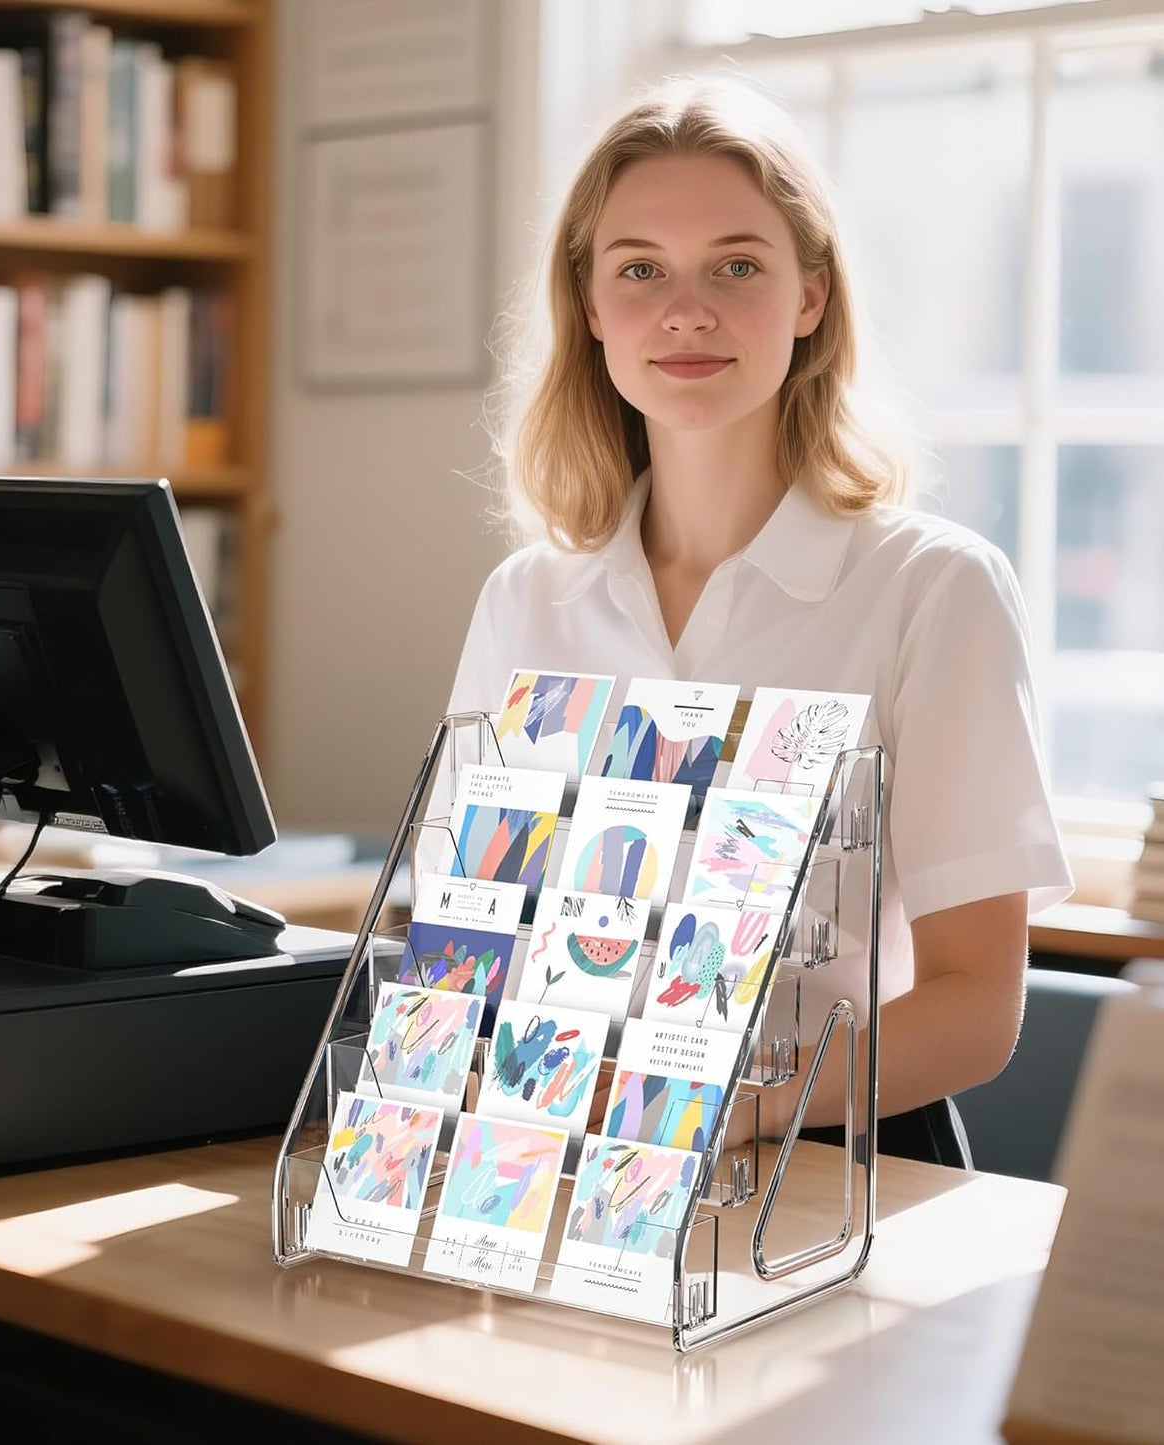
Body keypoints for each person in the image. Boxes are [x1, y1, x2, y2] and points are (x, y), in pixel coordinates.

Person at [445, 74, 1074, 1165]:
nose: (685, 311)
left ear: (809, 297)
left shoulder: (931, 587)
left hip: (832, 1173)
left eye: (736, 265)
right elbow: (471, 949)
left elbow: (976, 1004)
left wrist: (713, 1109)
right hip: (553, 1160)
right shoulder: (526, 600)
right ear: (589, 307)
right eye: (638, 269)